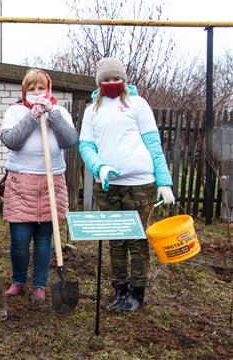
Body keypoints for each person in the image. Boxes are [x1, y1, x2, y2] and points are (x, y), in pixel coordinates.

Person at [79, 58, 175, 311]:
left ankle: (137, 291)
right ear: (99, 83)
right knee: (116, 240)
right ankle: (120, 290)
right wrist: (100, 167)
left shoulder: (137, 104)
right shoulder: (92, 111)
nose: (112, 83)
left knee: (136, 238)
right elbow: (86, 146)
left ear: (124, 80)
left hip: (140, 183)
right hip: (108, 185)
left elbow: (153, 143)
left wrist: (164, 182)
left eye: (116, 79)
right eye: (107, 80)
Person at [0, 69, 79, 301]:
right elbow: (11, 141)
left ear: (48, 89)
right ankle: (19, 281)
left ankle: (40, 284)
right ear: (25, 92)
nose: (36, 93)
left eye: (41, 88)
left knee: (45, 239)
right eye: (31, 89)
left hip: (51, 182)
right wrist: (32, 116)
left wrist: (52, 115)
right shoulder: (15, 111)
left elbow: (70, 140)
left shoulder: (60, 111)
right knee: (20, 240)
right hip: (20, 182)